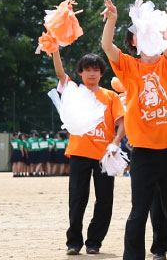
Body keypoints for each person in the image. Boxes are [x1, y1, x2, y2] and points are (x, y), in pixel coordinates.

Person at [101, 0, 167, 260]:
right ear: (133, 42)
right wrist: (112, 20)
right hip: (143, 152)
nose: (145, 37)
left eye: (149, 32)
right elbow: (107, 46)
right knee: (138, 211)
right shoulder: (130, 66)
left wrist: (158, 28)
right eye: (139, 34)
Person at [52, 47, 126, 256]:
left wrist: (116, 142)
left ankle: (94, 241)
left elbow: (122, 123)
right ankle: (74, 242)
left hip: (105, 155)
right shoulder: (74, 91)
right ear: (80, 73)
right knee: (77, 198)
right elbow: (60, 73)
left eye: (96, 69)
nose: (92, 73)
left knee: (104, 200)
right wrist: (55, 50)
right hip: (79, 152)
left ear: (101, 73)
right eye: (87, 69)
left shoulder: (111, 96)